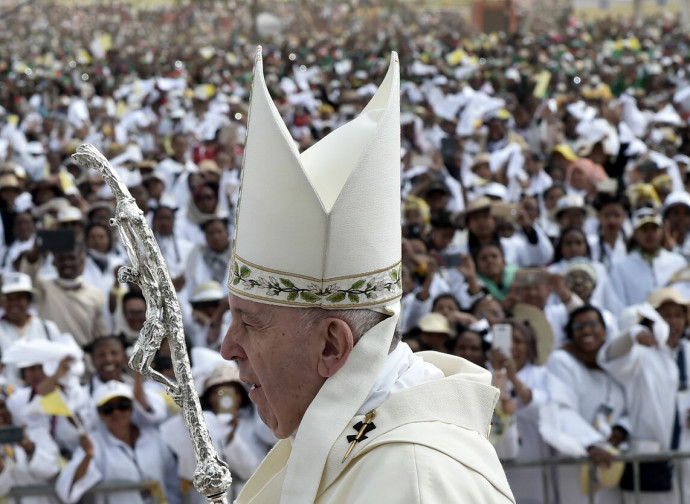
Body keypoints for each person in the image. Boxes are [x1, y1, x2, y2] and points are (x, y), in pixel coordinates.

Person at [220, 50, 514, 502]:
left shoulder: (415, 478)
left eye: (250, 322)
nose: (227, 348)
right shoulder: (352, 440)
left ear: (333, 345)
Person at [545, 305, 627, 504]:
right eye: (579, 326)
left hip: (611, 464)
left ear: (605, 331)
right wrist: (592, 444)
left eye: (592, 324)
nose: (587, 330)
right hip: (578, 460)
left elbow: (631, 405)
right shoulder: (562, 360)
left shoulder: (615, 363)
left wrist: (622, 429)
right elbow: (561, 408)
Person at [55, 380, 180, 504]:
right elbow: (68, 488)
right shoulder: (94, 442)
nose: (117, 413)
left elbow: (172, 480)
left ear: (131, 408)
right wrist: (87, 457)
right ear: (99, 414)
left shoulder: (154, 437)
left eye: (123, 405)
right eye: (108, 408)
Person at [610, 207, 687, 307]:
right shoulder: (621, 268)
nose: (650, 234)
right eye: (644, 229)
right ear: (635, 233)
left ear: (662, 231)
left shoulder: (677, 262)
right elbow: (618, 305)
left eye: (654, 228)